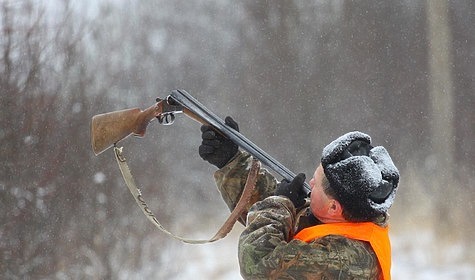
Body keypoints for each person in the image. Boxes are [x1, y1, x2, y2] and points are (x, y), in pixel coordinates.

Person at [199, 117, 400, 280]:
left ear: (333, 208)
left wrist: (280, 204)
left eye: (317, 182)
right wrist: (232, 161)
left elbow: (259, 262)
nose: (310, 184)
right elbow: (276, 223)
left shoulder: (343, 260)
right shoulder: (350, 219)